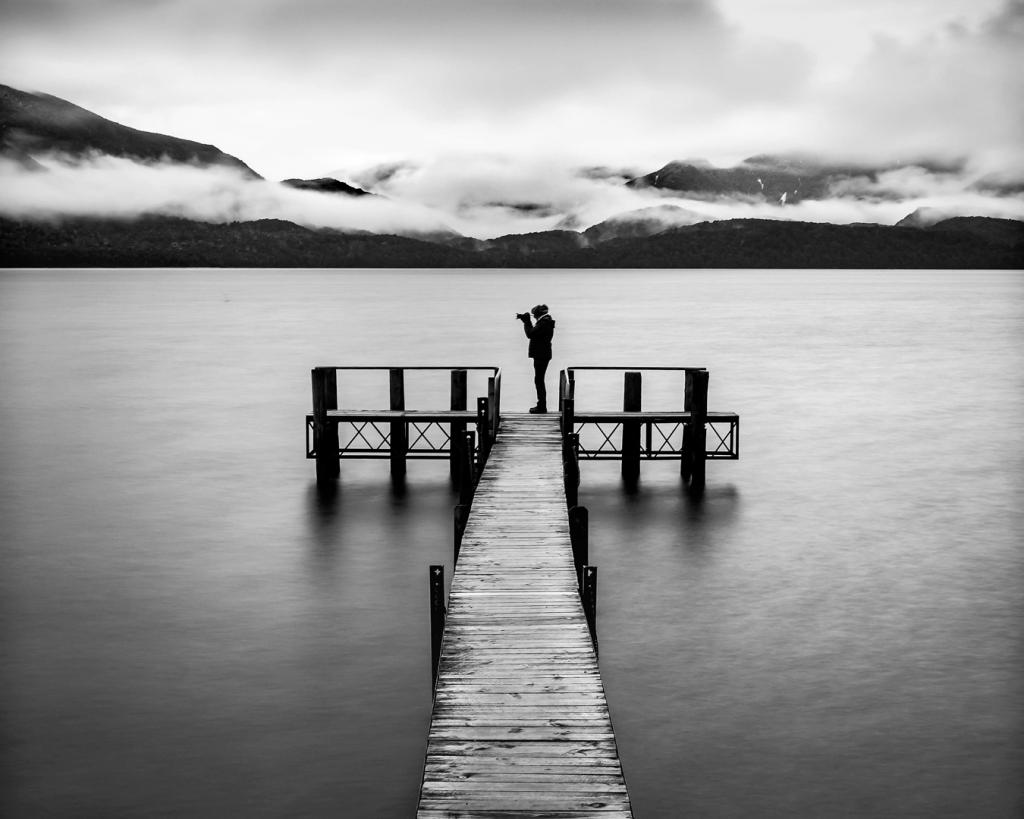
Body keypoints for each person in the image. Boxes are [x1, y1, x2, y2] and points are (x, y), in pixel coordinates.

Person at [517, 304, 555, 413]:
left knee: (539, 380)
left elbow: (530, 334)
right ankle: (541, 405)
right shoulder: (546, 321)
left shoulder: (544, 323)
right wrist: (527, 321)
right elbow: (535, 333)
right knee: (539, 379)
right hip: (543, 354)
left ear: (539, 314)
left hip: (541, 355)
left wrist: (526, 322)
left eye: (534, 315)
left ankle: (542, 406)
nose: (534, 317)